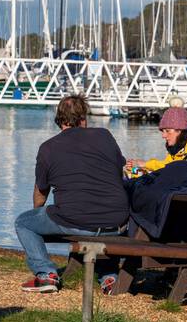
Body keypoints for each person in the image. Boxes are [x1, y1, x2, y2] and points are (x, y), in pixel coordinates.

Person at [16, 95, 130, 292]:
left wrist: (38, 213)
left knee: (24, 223)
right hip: (116, 221)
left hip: (76, 220)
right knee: (97, 218)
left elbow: (41, 192)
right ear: (83, 118)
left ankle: (46, 274)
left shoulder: (48, 148)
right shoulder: (105, 136)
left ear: (59, 119)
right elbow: (119, 173)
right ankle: (109, 278)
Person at [125, 103, 187, 176]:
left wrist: (145, 164)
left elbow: (173, 170)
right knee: (131, 172)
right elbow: (166, 166)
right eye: (162, 131)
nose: (163, 136)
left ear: (180, 131)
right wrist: (137, 167)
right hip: (181, 187)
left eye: (168, 131)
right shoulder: (177, 147)